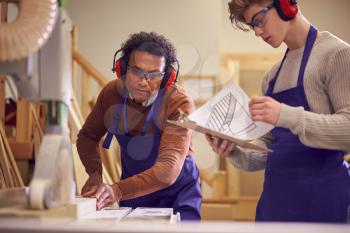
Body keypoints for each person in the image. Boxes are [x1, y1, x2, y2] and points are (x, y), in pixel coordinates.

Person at [206, 0, 350, 223]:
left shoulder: (337, 54)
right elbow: (270, 148)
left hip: (324, 200)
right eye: (252, 26)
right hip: (277, 202)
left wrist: (286, 115)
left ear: (286, 5)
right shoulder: (271, 77)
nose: (257, 32)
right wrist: (234, 150)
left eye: (259, 21)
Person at [77, 31, 202, 220]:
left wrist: (117, 190)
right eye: (137, 71)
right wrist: (94, 174)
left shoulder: (178, 102)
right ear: (123, 69)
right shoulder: (111, 94)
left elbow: (167, 170)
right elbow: (87, 136)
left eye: (154, 75)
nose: (144, 82)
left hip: (178, 190)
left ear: (168, 77)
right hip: (134, 190)